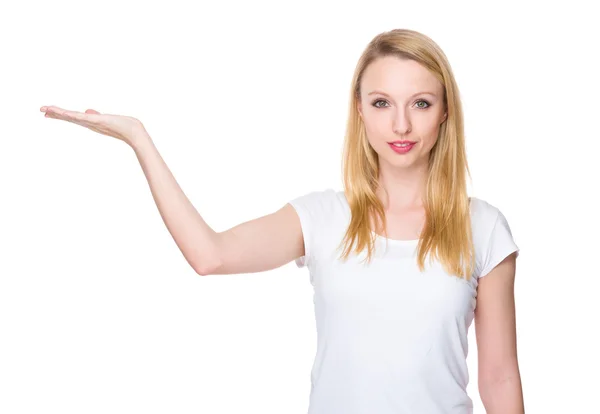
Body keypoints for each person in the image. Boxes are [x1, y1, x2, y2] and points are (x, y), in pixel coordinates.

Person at [40, 28, 523, 414]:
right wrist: (138, 138)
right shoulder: (321, 218)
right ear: (360, 110)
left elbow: (499, 377)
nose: (401, 125)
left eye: (420, 103)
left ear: (443, 114)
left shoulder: (483, 228)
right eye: (382, 103)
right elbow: (210, 255)